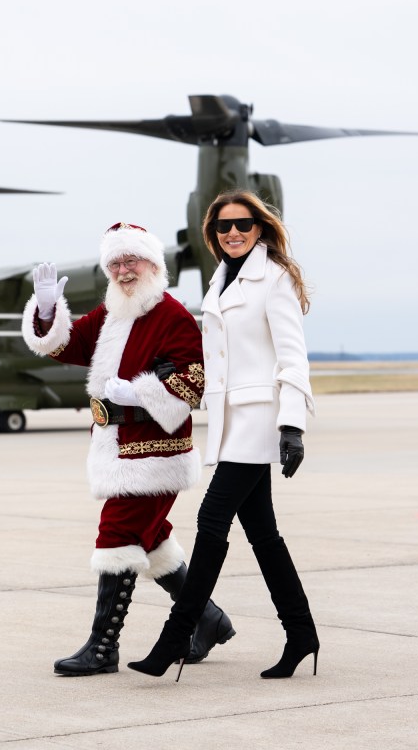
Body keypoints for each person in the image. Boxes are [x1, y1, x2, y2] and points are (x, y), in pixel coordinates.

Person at [23, 222, 235, 676]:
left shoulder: (173, 315)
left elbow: (193, 383)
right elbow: (68, 344)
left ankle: (103, 648)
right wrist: (45, 309)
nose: (122, 271)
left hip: (154, 452)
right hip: (116, 447)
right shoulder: (112, 314)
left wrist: (139, 393)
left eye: (130, 261)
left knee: (117, 536)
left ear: (153, 265)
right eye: (115, 263)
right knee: (151, 540)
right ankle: (210, 619)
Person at [128, 190, 318, 681]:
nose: (233, 233)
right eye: (223, 227)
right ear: (212, 234)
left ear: (260, 228)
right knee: (264, 537)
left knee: (212, 522)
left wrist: (292, 425)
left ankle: (175, 638)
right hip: (230, 421)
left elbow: (292, 358)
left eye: (243, 225)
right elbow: (226, 356)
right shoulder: (220, 281)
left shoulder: (272, 278)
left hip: (257, 421)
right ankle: (301, 634)